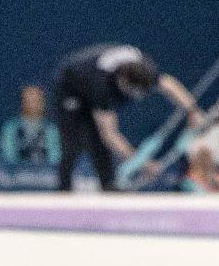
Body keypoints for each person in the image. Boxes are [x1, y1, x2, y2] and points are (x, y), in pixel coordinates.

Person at [51, 42, 205, 192]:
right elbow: (110, 135)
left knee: (99, 144)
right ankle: (64, 187)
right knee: (73, 142)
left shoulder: (144, 68)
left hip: (97, 80)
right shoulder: (101, 85)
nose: (135, 96)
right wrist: (142, 163)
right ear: (123, 79)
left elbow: (169, 85)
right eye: (132, 91)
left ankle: (108, 185)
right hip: (70, 88)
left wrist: (193, 110)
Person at [0, 84, 60, 166]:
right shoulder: (11, 128)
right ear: (22, 102)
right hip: (17, 175)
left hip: (46, 175)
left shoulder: (51, 130)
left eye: (37, 100)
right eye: (29, 100)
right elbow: (8, 158)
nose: (33, 104)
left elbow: (55, 158)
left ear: (43, 102)